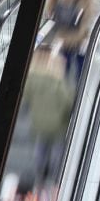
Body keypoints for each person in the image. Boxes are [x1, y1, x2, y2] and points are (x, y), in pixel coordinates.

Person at [23, 47, 75, 181]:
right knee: (58, 147)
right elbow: (67, 101)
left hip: (39, 121)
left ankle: (40, 170)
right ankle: (56, 172)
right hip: (58, 123)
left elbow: (25, 97)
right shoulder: (57, 80)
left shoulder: (31, 79)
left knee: (41, 144)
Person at [45, 0, 91, 80]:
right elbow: (51, 15)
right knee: (66, 61)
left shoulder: (83, 1)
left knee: (79, 62)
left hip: (78, 40)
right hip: (65, 40)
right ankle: (69, 82)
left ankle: (79, 83)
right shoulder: (58, 2)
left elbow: (84, 21)